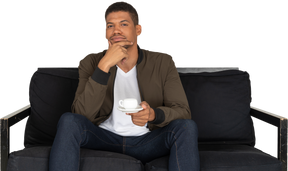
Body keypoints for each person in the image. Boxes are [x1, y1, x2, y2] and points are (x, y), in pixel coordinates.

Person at [48, 1, 200, 171]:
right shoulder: (90, 61)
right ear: (105, 33)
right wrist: (103, 66)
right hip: (104, 138)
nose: (116, 31)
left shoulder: (162, 62)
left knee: (187, 127)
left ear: (139, 30)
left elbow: (183, 112)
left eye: (124, 24)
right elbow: (82, 115)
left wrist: (153, 115)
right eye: (110, 25)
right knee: (69, 120)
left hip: (147, 141)